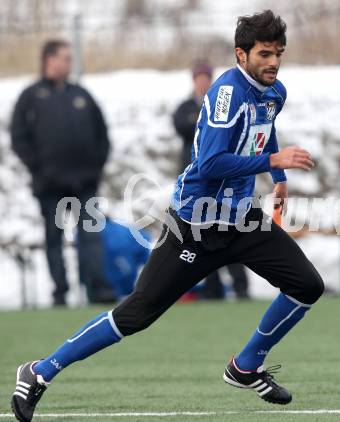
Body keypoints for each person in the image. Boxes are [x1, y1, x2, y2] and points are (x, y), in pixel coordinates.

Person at [11, 11, 324, 421]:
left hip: (241, 220)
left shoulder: (273, 91)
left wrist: (277, 175)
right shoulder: (225, 96)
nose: (274, 62)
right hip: (195, 224)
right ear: (240, 54)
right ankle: (39, 370)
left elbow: (265, 130)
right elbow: (210, 163)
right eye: (265, 53)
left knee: (306, 286)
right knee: (137, 313)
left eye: (279, 53)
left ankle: (246, 367)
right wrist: (273, 159)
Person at [10, 39, 113, 306]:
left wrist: (95, 168)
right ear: (49, 60)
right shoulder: (31, 97)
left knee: (91, 237)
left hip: (85, 185)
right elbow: (19, 139)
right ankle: (60, 292)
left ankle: (97, 290)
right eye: (65, 58)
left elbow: (102, 135)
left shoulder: (81, 94)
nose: (69, 62)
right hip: (50, 187)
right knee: (54, 239)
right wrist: (41, 171)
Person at [173, 61, 249, 300]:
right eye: (200, 77)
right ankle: (213, 289)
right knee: (203, 237)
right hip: (198, 186)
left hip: (224, 185)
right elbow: (183, 126)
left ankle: (240, 288)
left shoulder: (224, 103)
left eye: (207, 77)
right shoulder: (185, 106)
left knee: (230, 233)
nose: (203, 81)